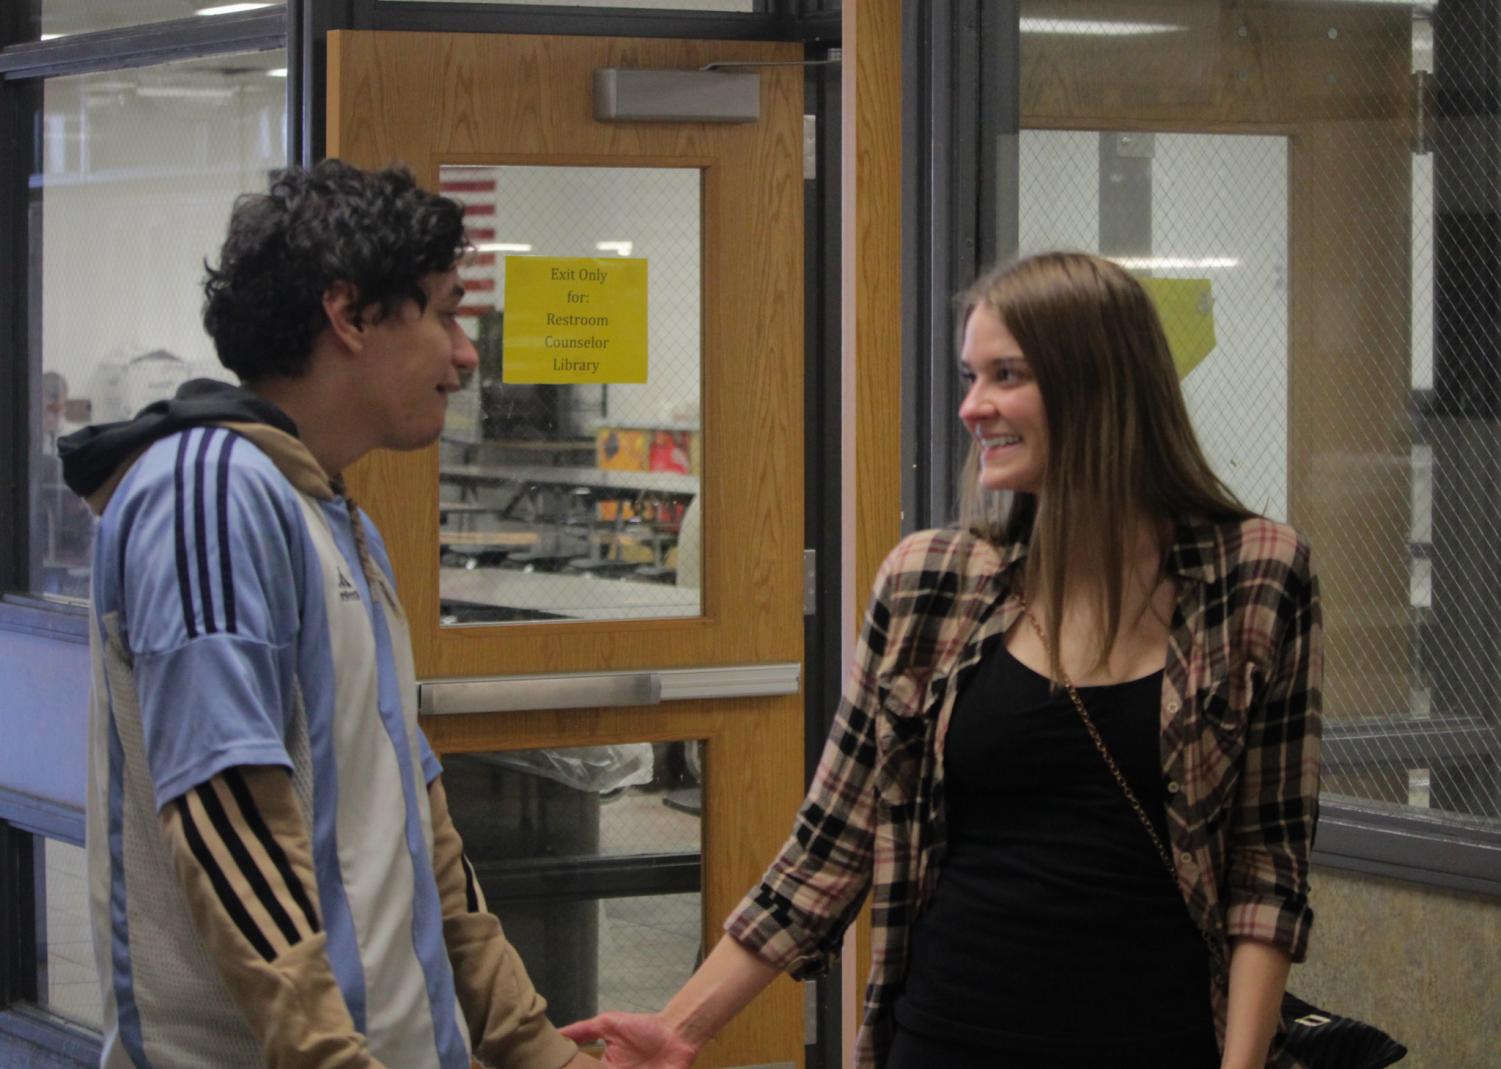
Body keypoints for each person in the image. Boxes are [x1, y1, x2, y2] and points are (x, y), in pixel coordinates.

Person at [561, 252, 1323, 1069]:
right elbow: (828, 846)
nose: (971, 406)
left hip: (1158, 1040)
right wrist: (678, 1029)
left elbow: (1265, 870)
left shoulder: (1256, 575)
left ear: (1099, 382)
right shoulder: (931, 583)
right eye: (969, 375)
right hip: (948, 1037)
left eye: (1006, 374)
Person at [61, 160, 596, 1069]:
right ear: (347, 315)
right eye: (439, 311)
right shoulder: (211, 494)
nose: (464, 353)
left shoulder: (329, 515)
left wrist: (526, 1040)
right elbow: (227, 820)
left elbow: (417, 827)